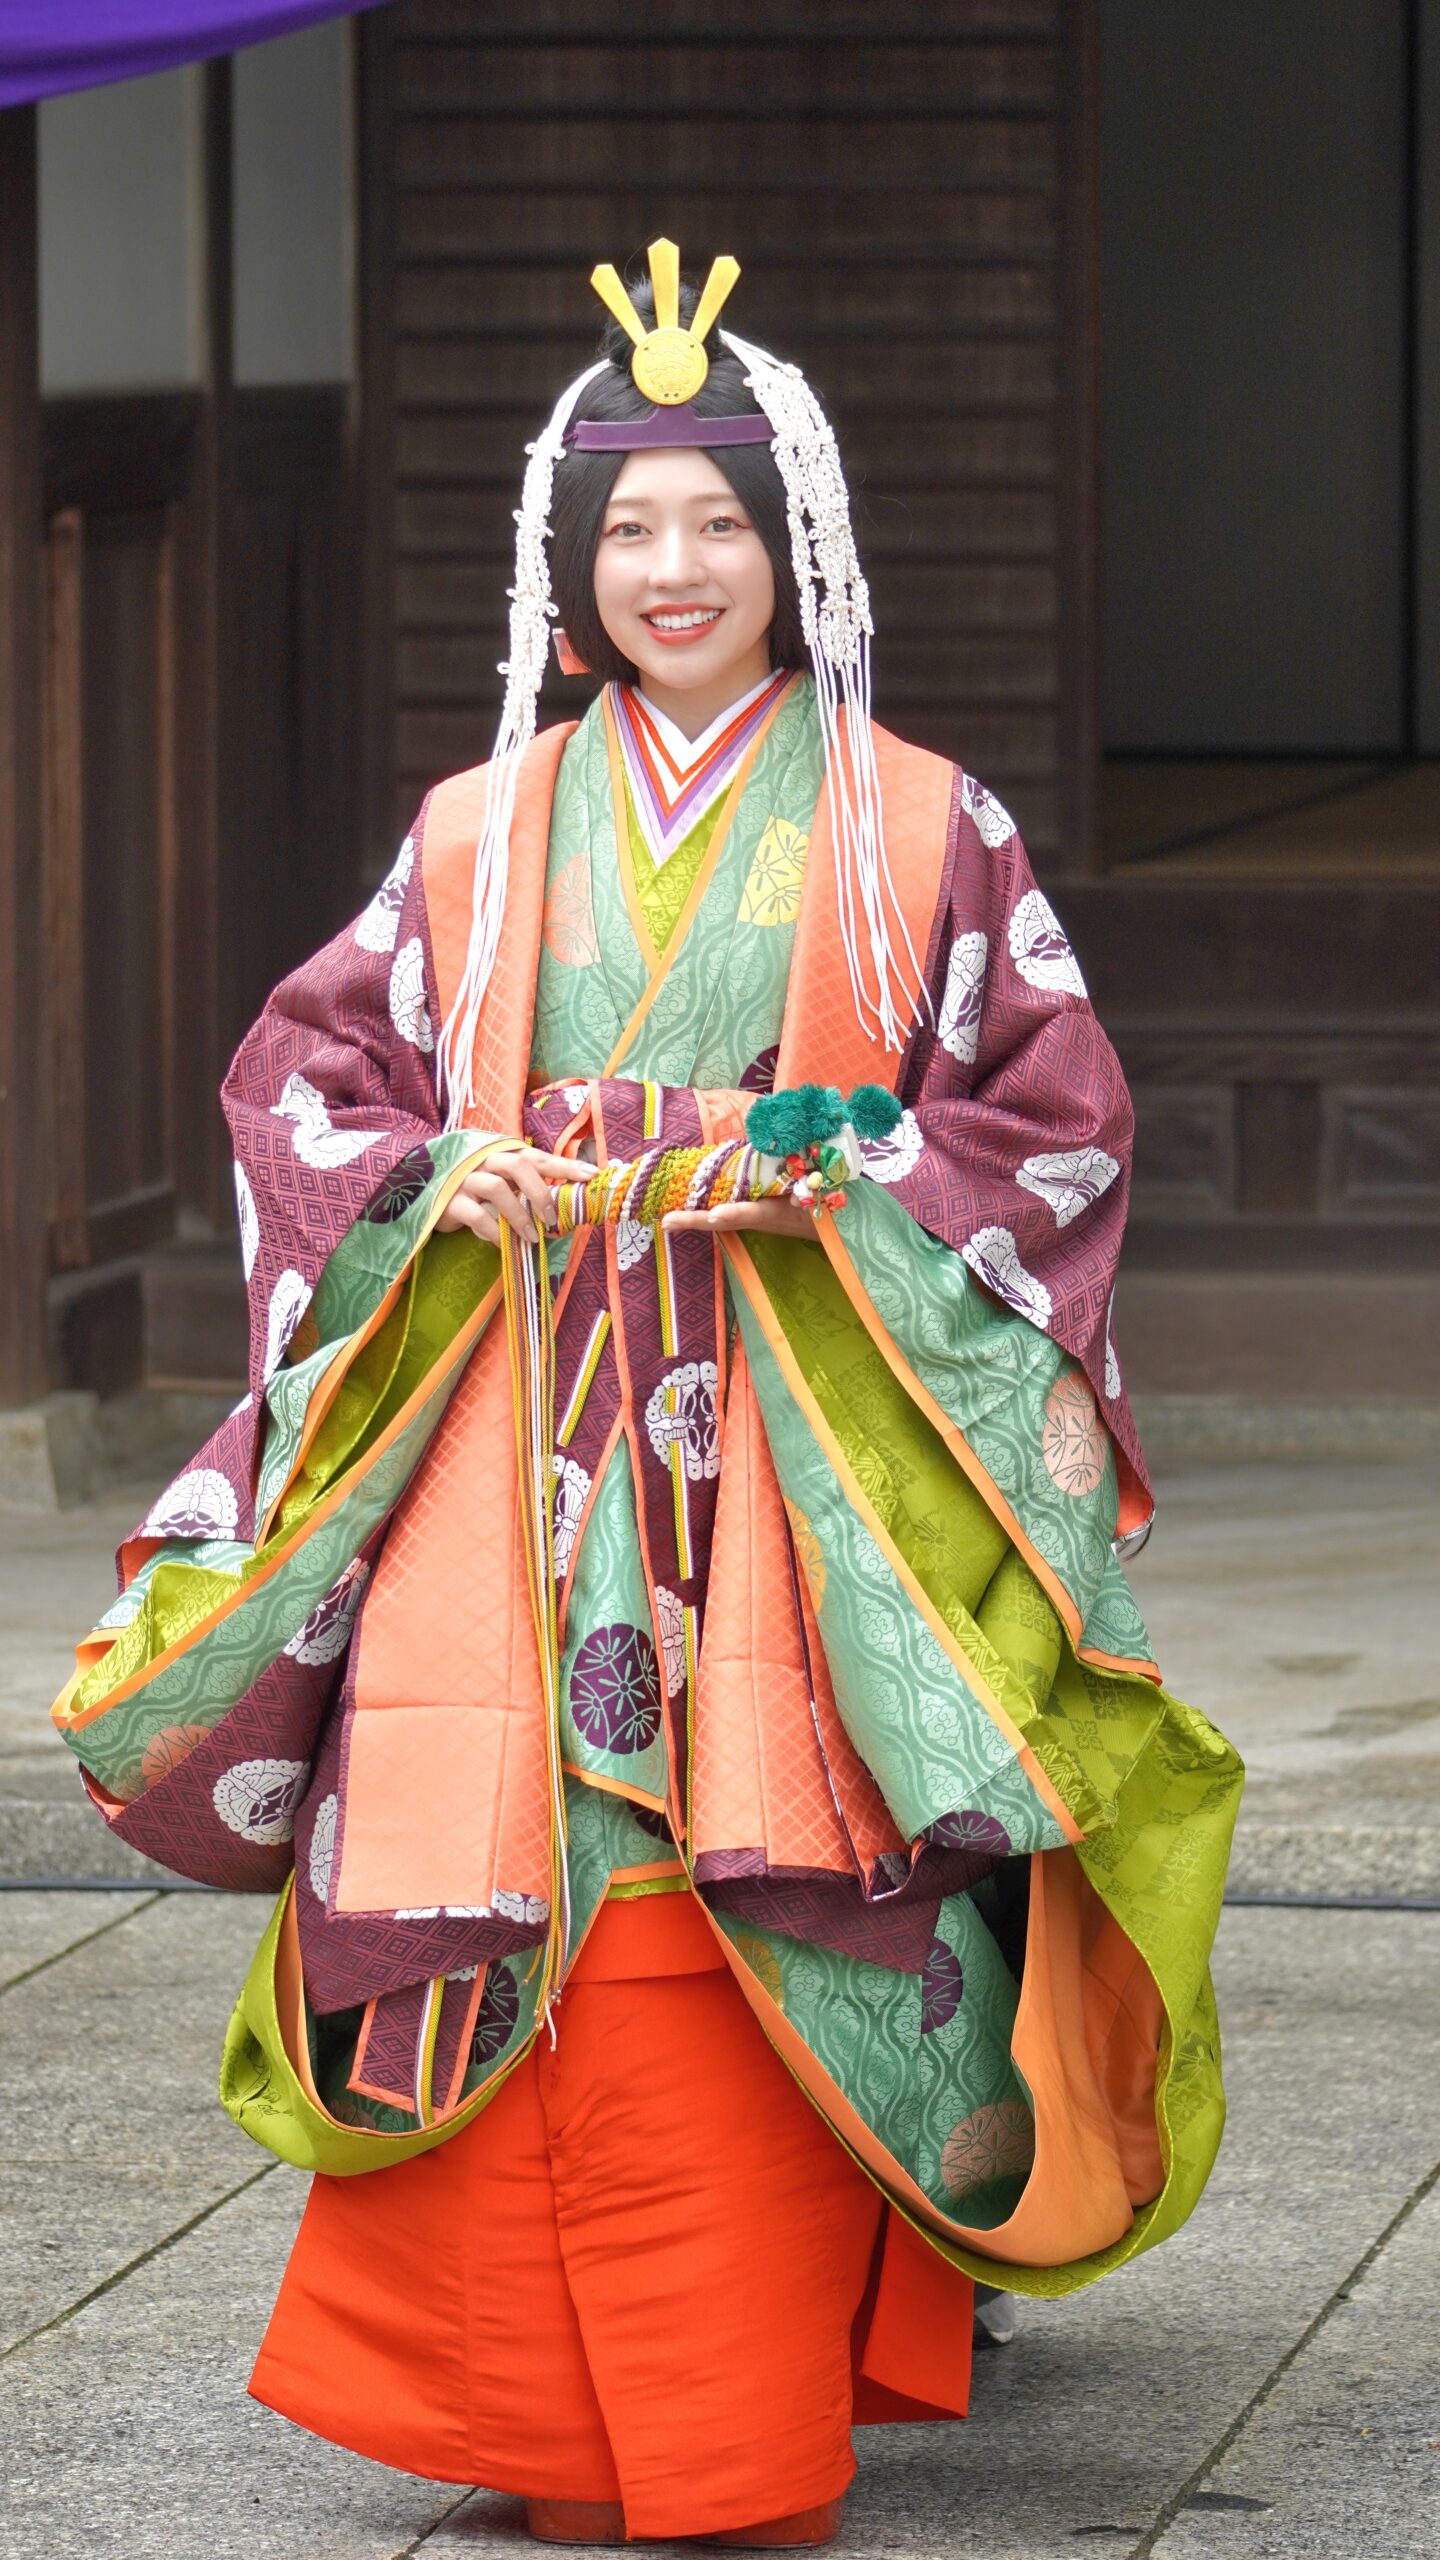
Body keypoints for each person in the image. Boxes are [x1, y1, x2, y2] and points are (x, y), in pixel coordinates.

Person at [51, 245, 1242, 2546]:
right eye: (628, 532)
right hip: (517, 1432)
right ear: (569, 569)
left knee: (787, 1850)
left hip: (797, 1440)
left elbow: (1052, 1117)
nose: (674, 571)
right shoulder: (478, 831)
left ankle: (742, 2382)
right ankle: (527, 2390)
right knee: (519, 1861)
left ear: (793, 551)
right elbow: (308, 1074)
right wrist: (424, 1173)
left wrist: (858, 1178)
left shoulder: (920, 823)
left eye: (715, 524)